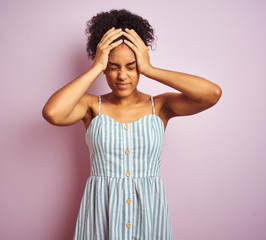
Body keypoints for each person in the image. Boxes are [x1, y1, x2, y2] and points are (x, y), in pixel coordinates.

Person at [42, 9, 221, 240]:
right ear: (105, 65)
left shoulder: (161, 106)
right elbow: (52, 112)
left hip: (149, 217)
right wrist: (96, 67)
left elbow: (212, 94)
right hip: (101, 217)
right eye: (113, 66)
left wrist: (150, 70)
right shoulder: (91, 106)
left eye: (131, 66)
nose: (122, 76)